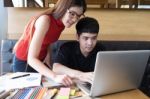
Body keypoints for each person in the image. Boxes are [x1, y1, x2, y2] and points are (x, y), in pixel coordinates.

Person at [12, 0, 87, 86]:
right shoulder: (45, 20)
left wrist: (48, 57)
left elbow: (47, 39)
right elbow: (31, 59)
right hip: (24, 61)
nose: (75, 19)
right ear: (63, 8)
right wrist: (55, 76)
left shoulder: (61, 22)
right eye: (72, 14)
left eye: (78, 16)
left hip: (39, 61)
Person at [53, 17, 105, 85]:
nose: (90, 43)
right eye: (86, 38)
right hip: (71, 86)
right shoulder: (66, 48)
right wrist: (80, 75)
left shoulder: (101, 50)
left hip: (92, 87)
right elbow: (56, 68)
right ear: (77, 37)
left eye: (94, 38)